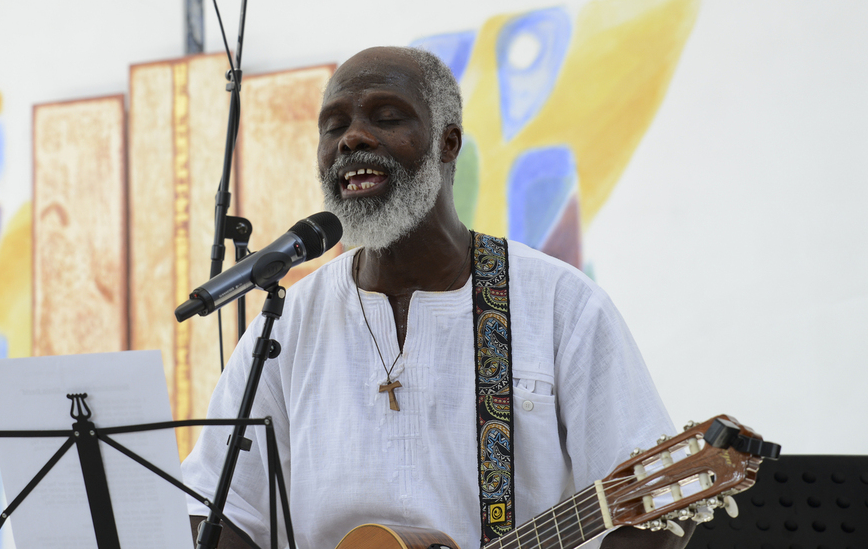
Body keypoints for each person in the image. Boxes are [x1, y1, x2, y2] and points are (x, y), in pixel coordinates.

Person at [181, 46, 693, 549]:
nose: (352, 138)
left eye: (387, 117)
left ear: (448, 143)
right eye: (333, 126)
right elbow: (217, 511)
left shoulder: (560, 305)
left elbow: (658, 504)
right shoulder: (289, 322)